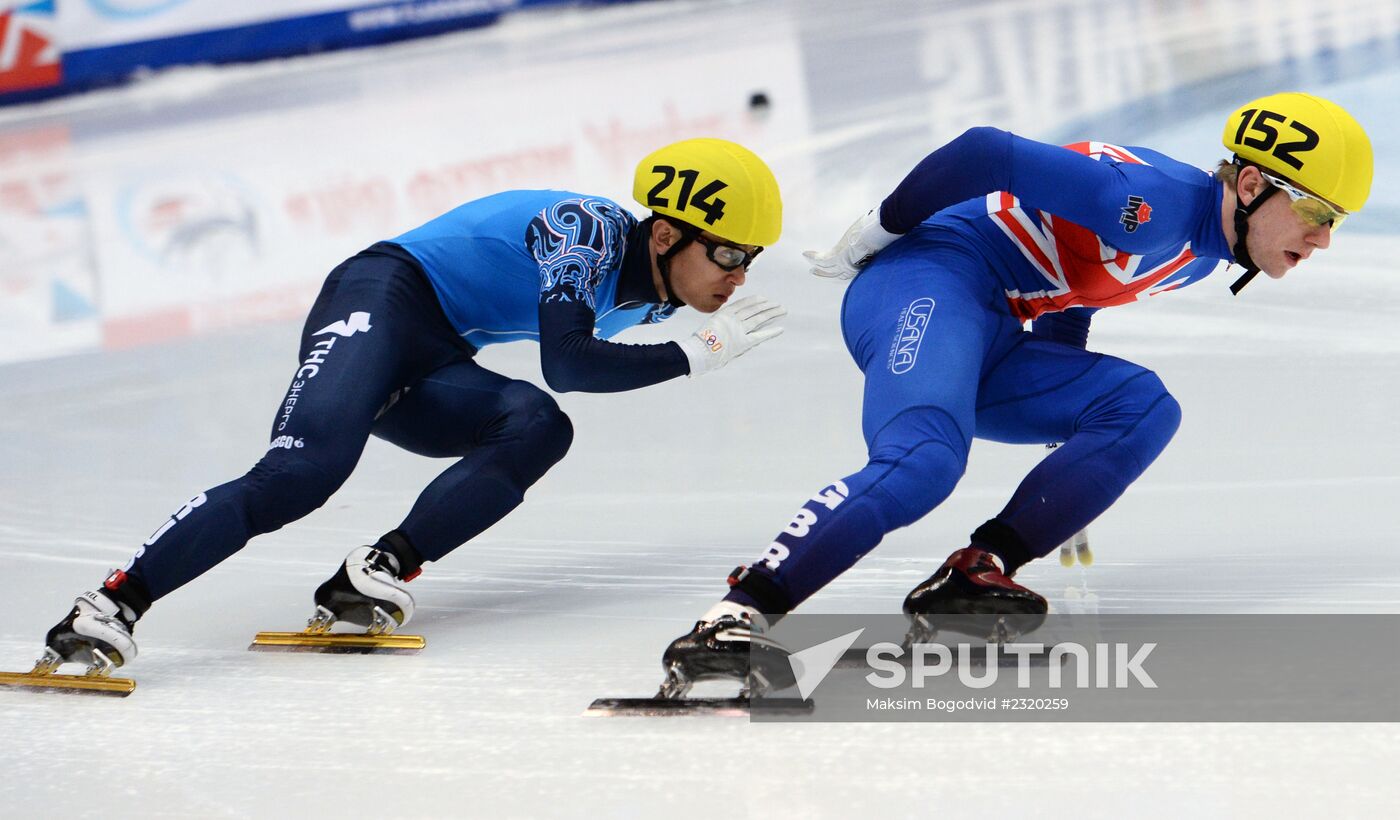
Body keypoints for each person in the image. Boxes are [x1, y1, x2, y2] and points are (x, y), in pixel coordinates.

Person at [659, 92, 1372, 694]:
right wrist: (881, 227)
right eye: (1317, 214)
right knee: (927, 460)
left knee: (1141, 407)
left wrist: (1073, 450)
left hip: (994, 326)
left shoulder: (1203, 249)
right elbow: (985, 152)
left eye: (1335, 222)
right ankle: (740, 613)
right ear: (1251, 186)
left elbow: (1081, 285)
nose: (1324, 239)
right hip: (926, 281)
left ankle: (975, 573)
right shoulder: (1150, 205)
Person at [36, 138, 786, 677]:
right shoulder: (584, 231)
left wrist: (689, 347)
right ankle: (109, 604)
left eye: (749, 259)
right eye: (726, 253)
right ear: (664, 231)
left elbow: (568, 379)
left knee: (535, 428)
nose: (738, 276)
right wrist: (699, 355)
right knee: (300, 476)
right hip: (379, 297)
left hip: (433, 350)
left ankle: (375, 572)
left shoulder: (655, 303)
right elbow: (568, 363)